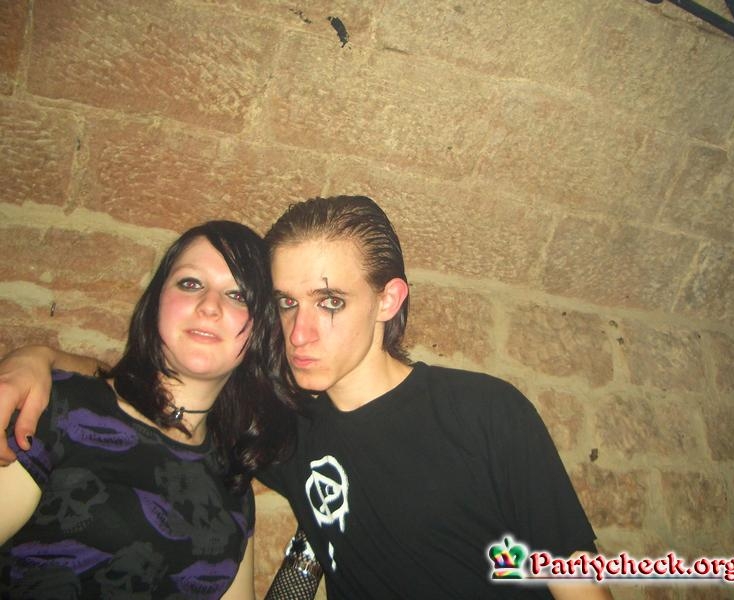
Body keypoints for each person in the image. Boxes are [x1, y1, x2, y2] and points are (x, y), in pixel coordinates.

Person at [0, 196, 612, 600]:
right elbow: (151, 397)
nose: (300, 333)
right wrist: (42, 359)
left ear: (389, 300)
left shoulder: (483, 412)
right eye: (286, 304)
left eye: (331, 302)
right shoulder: (284, 431)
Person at [0, 221, 297, 599]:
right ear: (156, 301)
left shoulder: (231, 484)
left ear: (260, 330)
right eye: (191, 283)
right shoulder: (57, 410)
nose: (210, 305)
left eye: (238, 295)